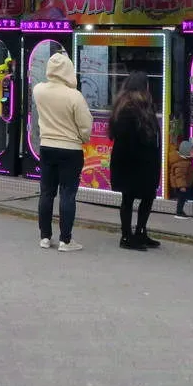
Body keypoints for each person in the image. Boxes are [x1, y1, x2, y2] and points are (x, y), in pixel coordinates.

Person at [32, 52, 93, 252]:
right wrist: (82, 138)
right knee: (67, 194)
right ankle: (66, 240)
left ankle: (45, 237)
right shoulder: (74, 96)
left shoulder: (39, 90)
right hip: (70, 149)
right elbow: (85, 125)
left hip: (47, 146)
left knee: (46, 192)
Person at [108, 72, 163, 251]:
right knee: (129, 198)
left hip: (145, 160)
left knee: (148, 196)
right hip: (132, 161)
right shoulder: (128, 108)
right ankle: (126, 236)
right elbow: (126, 138)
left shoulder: (143, 105)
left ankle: (140, 231)